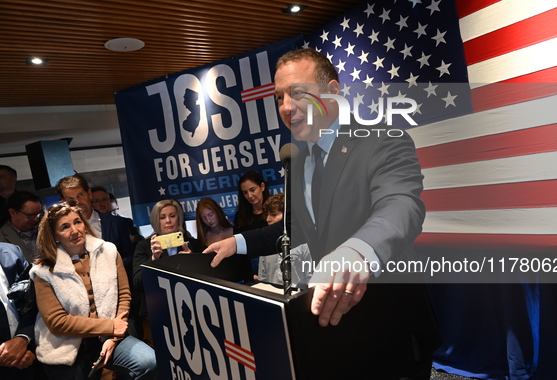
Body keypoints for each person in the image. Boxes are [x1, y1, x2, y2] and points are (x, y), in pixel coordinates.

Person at [204, 48, 440, 378]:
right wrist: (237, 243)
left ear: (332, 91)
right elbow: (295, 228)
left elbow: (401, 205)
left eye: (298, 93)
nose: (286, 108)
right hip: (337, 332)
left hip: (392, 332)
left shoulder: (382, 140)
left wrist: (356, 251)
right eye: (279, 98)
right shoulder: (300, 162)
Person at [30, 202, 157, 379]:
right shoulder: (43, 271)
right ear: (54, 236)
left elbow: (124, 295)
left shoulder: (109, 251)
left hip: (110, 336)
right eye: (65, 227)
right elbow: (57, 322)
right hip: (68, 345)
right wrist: (110, 326)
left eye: (77, 222)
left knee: (149, 362)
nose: (75, 230)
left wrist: (113, 337)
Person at [132, 199, 199, 321]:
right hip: (156, 311)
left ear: (179, 218)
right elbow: (137, 283)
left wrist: (191, 260)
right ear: (155, 220)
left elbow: (204, 279)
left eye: (172, 216)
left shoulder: (193, 244)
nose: (168, 221)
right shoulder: (144, 246)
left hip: (189, 309)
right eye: (162, 217)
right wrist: (153, 259)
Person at [55, 176, 134, 275]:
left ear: (89, 194)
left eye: (80, 195)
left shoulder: (117, 223)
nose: (78, 202)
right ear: (63, 202)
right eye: (71, 199)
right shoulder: (60, 231)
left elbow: (129, 256)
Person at [257, 193, 312, 287]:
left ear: (288, 216)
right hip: (272, 298)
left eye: (273, 215)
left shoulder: (305, 245)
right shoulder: (265, 244)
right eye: (267, 215)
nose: (268, 219)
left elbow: (311, 279)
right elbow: (263, 278)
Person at [0, 242, 37, 380]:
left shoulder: (12, 251)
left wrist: (23, 338)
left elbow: (35, 300)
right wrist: (8, 356)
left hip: (27, 357)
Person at [0, 192, 43, 263]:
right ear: (12, 212)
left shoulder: (46, 230)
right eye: (30, 215)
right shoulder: (1, 239)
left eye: (38, 214)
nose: (36, 219)